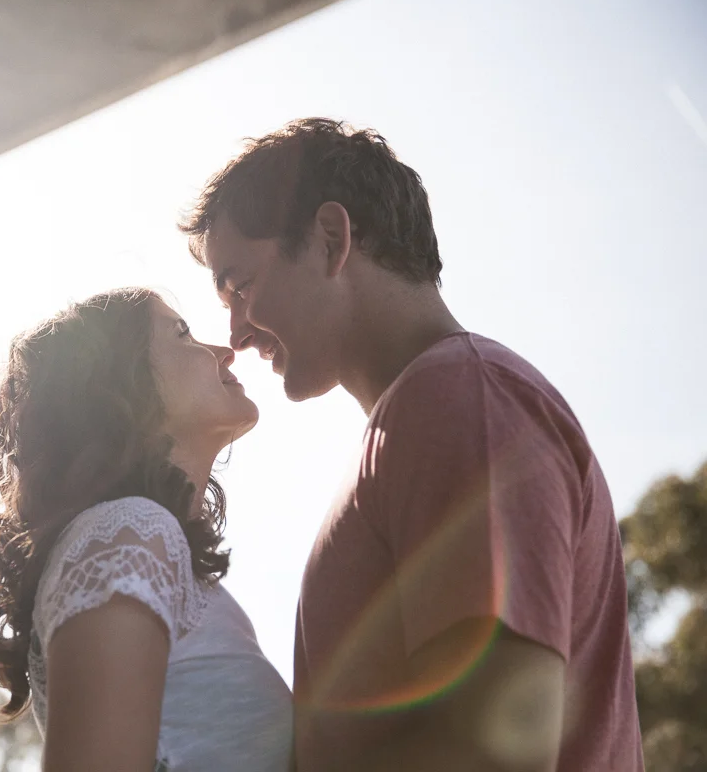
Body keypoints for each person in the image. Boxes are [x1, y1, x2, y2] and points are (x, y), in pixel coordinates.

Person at [180, 118, 643, 772]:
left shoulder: (459, 399)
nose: (235, 332)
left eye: (240, 285)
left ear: (331, 239)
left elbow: (495, 753)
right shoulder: (428, 411)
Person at [0, 287, 293, 772]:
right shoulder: (126, 533)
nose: (224, 351)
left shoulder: (136, 542)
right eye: (183, 334)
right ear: (120, 384)